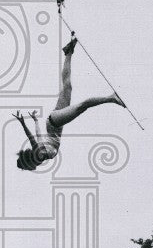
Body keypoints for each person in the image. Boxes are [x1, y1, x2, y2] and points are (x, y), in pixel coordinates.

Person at [14, 35, 124, 171]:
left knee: (81, 107)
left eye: (31, 166)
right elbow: (37, 135)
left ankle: (111, 98)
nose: (35, 166)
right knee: (67, 87)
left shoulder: (38, 154)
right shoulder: (42, 155)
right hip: (54, 123)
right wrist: (35, 121)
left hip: (55, 123)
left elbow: (31, 137)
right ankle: (68, 52)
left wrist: (23, 122)